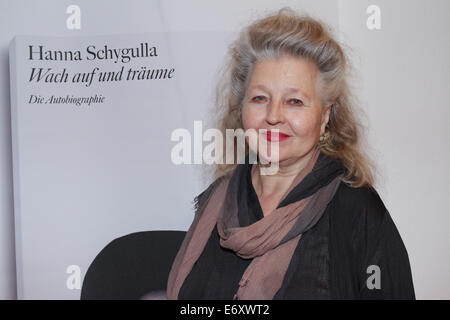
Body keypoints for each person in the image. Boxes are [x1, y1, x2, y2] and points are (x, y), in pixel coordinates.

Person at [166, 7, 415, 300]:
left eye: (294, 101)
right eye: (260, 98)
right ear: (241, 109)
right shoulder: (216, 201)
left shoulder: (358, 213)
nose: (273, 115)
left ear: (324, 117)